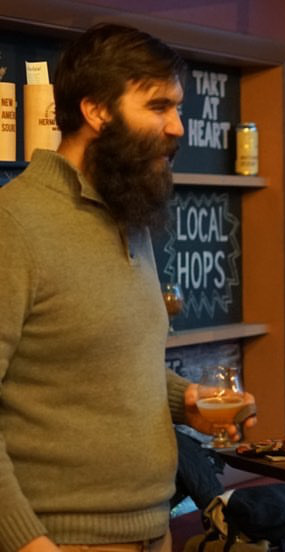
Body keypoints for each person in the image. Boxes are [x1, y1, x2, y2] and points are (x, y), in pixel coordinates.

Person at [0, 23, 255, 552]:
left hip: (152, 530)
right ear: (96, 111)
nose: (178, 127)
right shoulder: (15, 225)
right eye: (158, 106)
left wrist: (186, 399)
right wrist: (27, 541)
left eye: (178, 109)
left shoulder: (127, 214)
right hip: (62, 540)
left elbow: (90, 359)